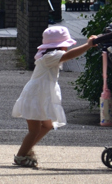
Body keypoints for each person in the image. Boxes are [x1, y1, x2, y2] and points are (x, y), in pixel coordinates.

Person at [11, 26, 97, 168]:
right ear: (60, 45)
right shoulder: (50, 56)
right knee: (34, 130)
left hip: (39, 95)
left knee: (47, 125)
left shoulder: (47, 55)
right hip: (36, 96)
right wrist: (87, 46)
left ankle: (26, 150)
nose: (66, 48)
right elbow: (69, 56)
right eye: (66, 45)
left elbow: (66, 55)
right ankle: (21, 156)